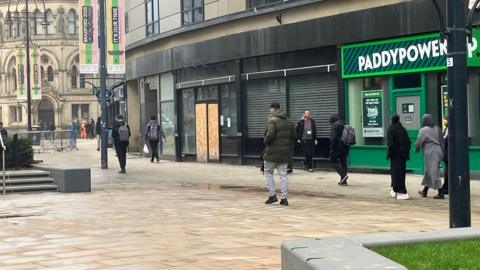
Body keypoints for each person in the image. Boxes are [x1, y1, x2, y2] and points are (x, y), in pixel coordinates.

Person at [263, 101, 296, 206]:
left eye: (270, 108)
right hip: (285, 153)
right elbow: (294, 136)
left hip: (272, 152)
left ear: (273, 109)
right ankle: (284, 199)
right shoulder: (289, 121)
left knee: (268, 172)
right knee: (283, 175)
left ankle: (272, 195)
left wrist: (265, 141)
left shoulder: (272, 120)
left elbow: (270, 135)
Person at [416, 114, 444, 199]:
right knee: (429, 171)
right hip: (438, 150)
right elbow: (441, 140)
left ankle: (440, 192)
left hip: (431, 152)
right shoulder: (438, 128)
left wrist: (416, 148)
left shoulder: (423, 130)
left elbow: (419, 141)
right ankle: (425, 190)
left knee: (433, 171)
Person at [387, 115, 412, 200]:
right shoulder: (402, 129)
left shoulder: (390, 129)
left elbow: (390, 144)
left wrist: (389, 154)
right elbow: (408, 142)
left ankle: (401, 191)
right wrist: (405, 153)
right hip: (402, 156)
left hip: (394, 155)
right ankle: (396, 190)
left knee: (394, 173)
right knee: (401, 173)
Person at [330, 114, 350, 186]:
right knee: (343, 162)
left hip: (337, 147)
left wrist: (332, 148)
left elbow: (334, 138)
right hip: (346, 146)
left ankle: (343, 175)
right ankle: (344, 181)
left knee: (333, 161)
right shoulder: (345, 124)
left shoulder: (335, 125)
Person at [441, 116, 449, 196]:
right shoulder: (445, 129)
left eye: (445, 121)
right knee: (446, 171)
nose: (444, 122)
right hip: (445, 154)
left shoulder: (451, 130)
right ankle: (446, 187)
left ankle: (446, 187)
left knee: (448, 172)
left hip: (449, 154)